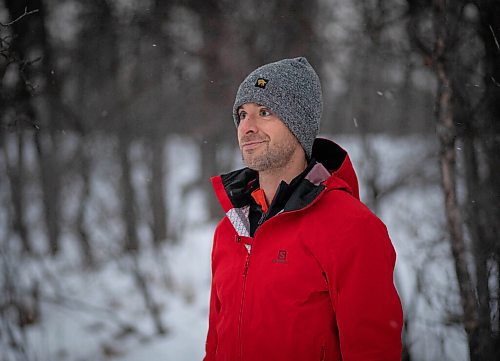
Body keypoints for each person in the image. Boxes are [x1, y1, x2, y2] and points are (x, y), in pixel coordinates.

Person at [203, 57, 403, 361]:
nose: (247, 127)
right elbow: (215, 347)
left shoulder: (352, 228)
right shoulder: (230, 229)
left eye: (264, 112)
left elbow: (373, 351)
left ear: (299, 125)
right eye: (242, 114)